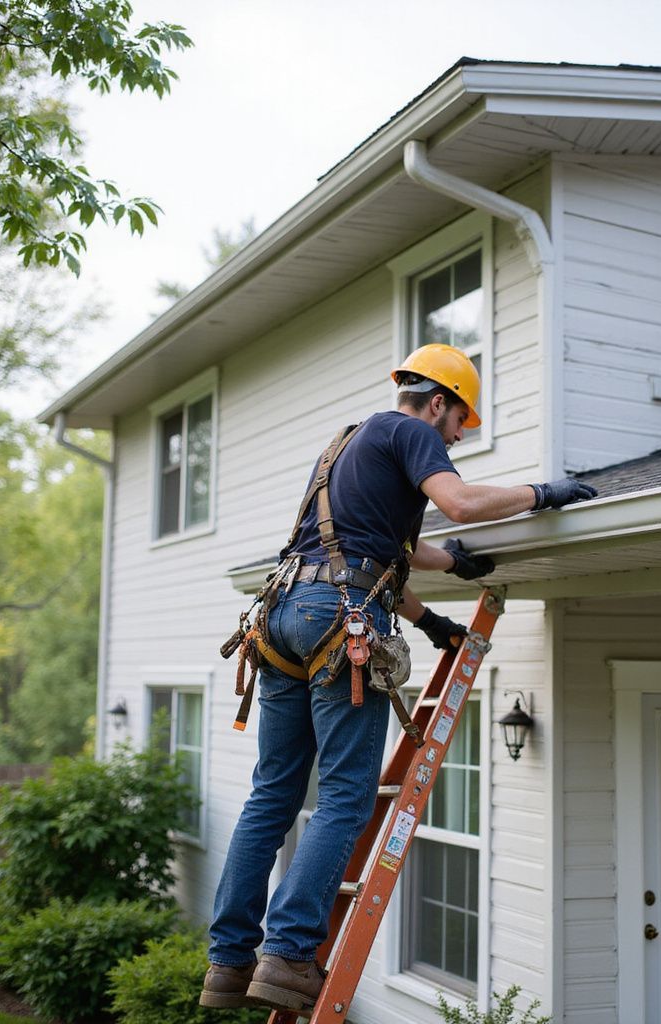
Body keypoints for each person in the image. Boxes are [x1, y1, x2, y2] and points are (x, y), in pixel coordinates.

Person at [200, 343, 597, 1015]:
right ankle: (290, 952)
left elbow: (389, 554)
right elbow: (463, 503)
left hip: (285, 613)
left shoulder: (347, 445)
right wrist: (542, 493)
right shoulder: (412, 432)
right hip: (339, 618)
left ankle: (228, 962)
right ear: (437, 402)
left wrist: (433, 614)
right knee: (347, 800)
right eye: (457, 425)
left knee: (271, 795)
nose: (453, 439)